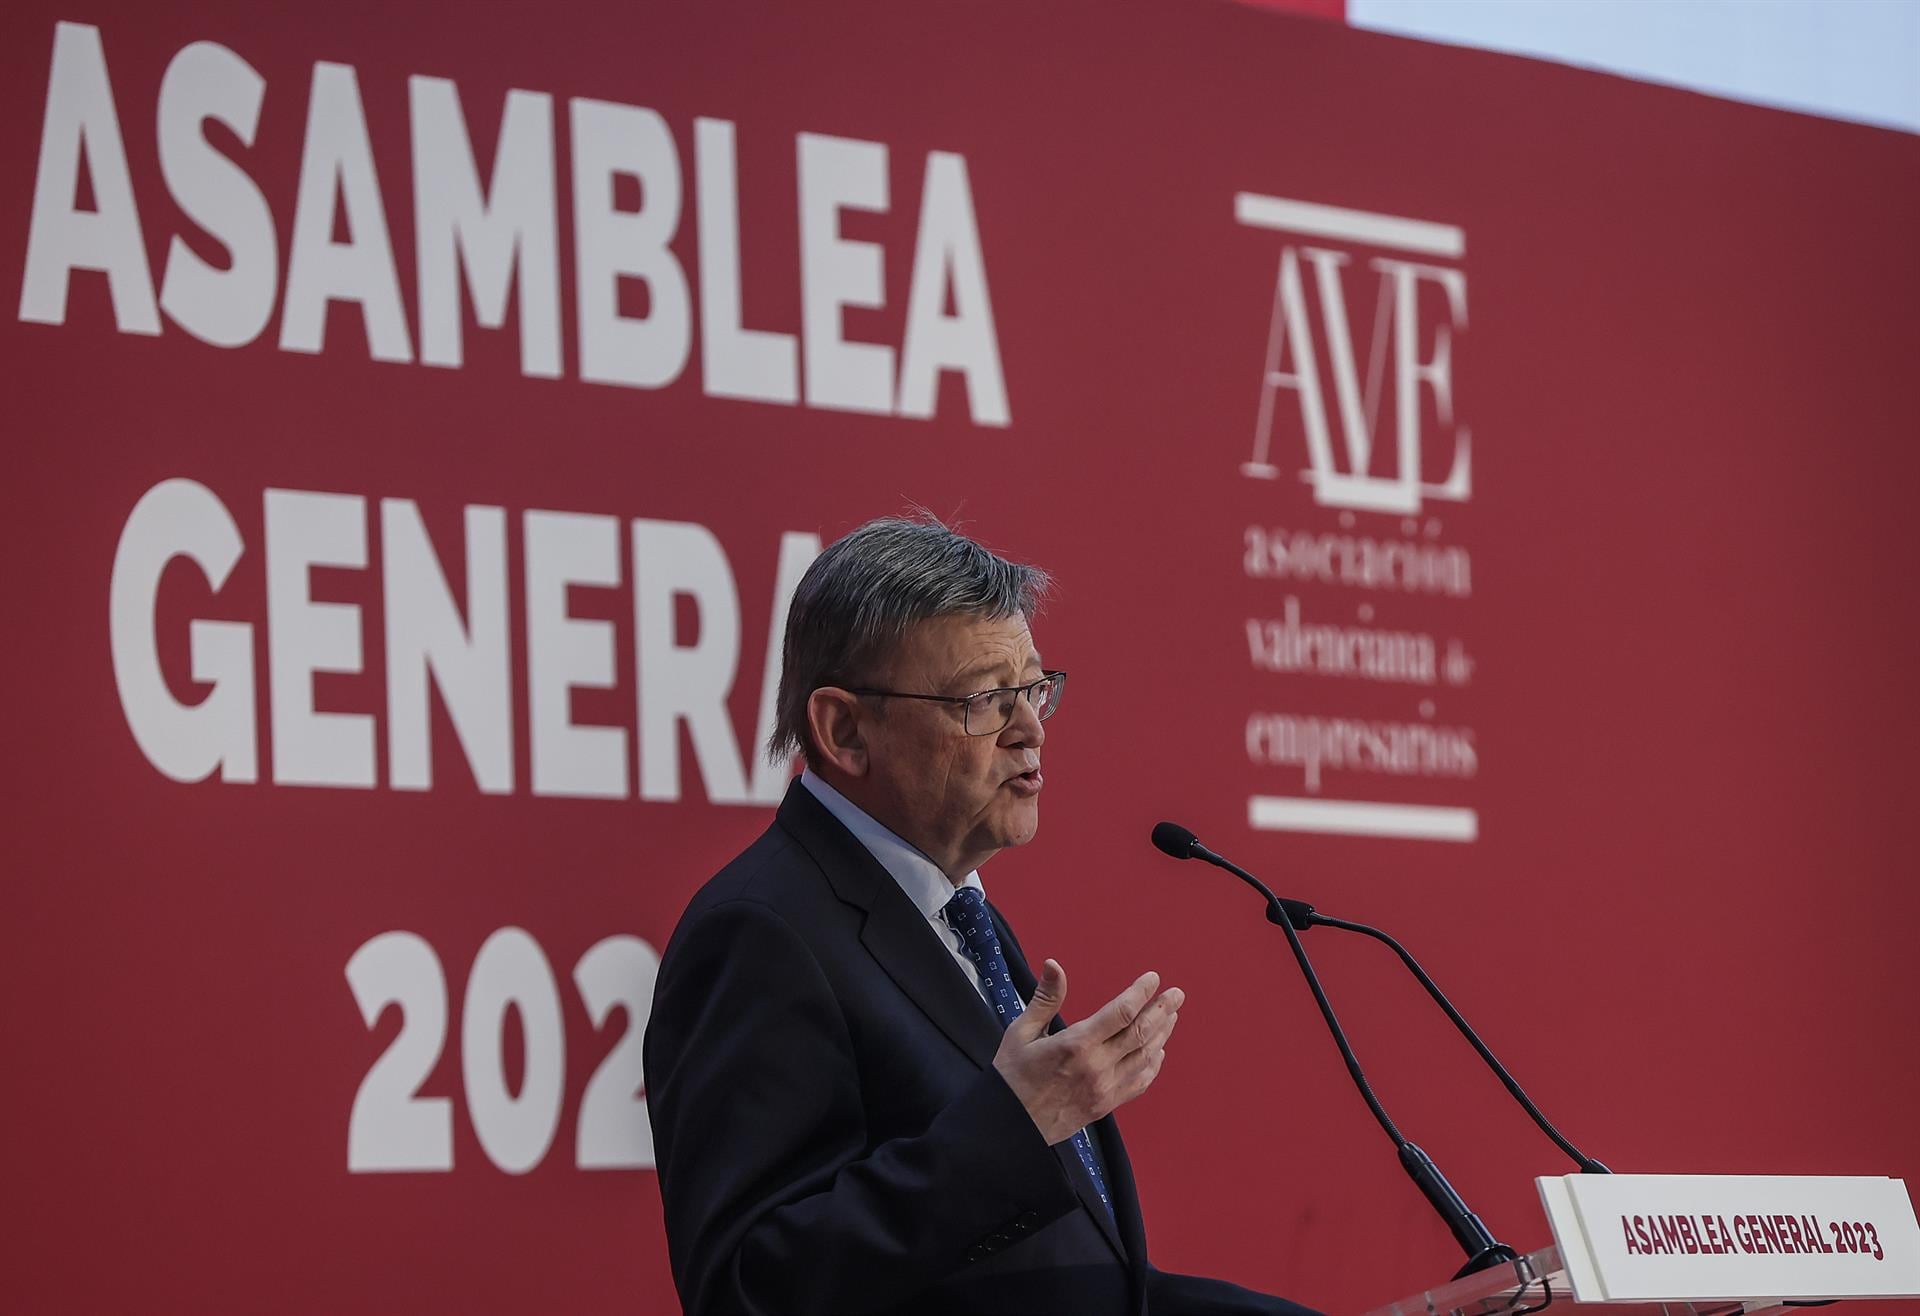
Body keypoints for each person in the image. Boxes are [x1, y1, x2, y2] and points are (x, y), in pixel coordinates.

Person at [643, 516, 1320, 1316]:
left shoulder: (953, 911)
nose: (1031, 730)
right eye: (986, 700)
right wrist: (1012, 1130)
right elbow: (746, 1290)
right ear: (844, 730)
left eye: (1034, 690)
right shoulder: (760, 933)